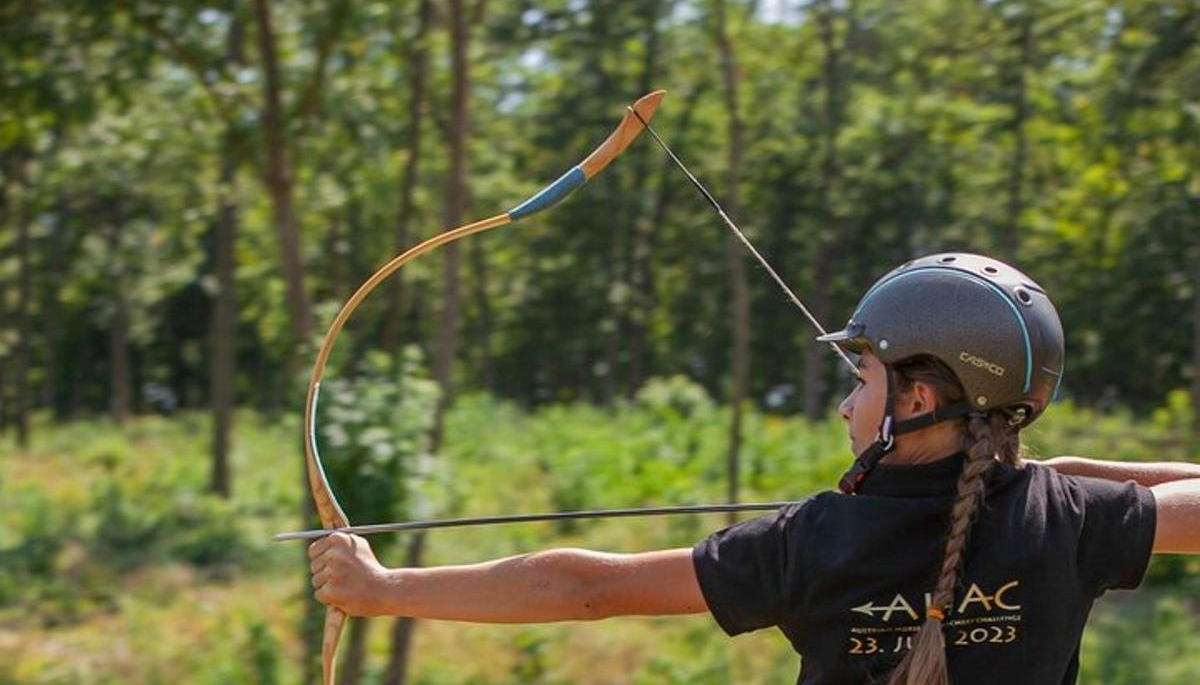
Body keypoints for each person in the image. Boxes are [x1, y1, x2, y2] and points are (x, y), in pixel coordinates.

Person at [308, 252, 1200, 684]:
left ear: (917, 401)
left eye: (863, 379)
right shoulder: (1076, 518)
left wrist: (383, 588)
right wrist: (1086, 472)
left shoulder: (810, 543)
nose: (846, 404)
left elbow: (586, 589)